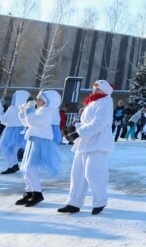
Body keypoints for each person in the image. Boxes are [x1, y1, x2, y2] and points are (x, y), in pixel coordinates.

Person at [58, 79, 115, 215]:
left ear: (105, 91)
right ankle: (74, 202)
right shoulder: (91, 102)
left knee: (93, 172)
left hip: (98, 142)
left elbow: (98, 123)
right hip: (84, 142)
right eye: (95, 89)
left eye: (99, 89)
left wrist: (78, 132)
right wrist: (75, 128)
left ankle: (100, 200)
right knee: (77, 173)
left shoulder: (106, 102)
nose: (95, 91)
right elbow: (85, 122)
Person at [15, 90, 63, 207]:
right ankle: (29, 191)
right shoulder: (41, 110)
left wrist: (29, 109)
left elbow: (34, 121)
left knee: (30, 168)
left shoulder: (48, 111)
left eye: (40, 99)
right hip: (33, 140)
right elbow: (28, 123)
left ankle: (37, 193)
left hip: (40, 141)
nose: (37, 101)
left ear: (48, 101)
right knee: (26, 168)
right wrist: (22, 112)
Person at [0, 90, 30, 173]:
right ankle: (15, 165)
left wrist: (0, 112)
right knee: (14, 150)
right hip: (22, 130)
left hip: (11, 130)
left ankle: (11, 166)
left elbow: (4, 120)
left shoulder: (12, 108)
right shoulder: (26, 108)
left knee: (7, 149)